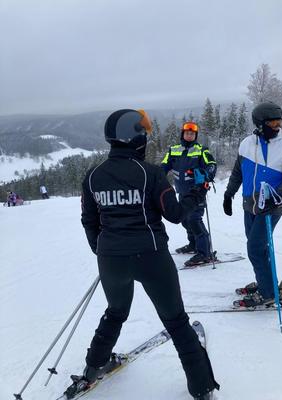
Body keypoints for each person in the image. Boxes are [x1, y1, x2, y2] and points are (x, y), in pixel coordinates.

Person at [79, 109, 219, 399]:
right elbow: (176, 214)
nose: (146, 139)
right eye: (144, 134)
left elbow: (90, 222)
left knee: (115, 312)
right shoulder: (151, 173)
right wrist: (199, 190)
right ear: (135, 137)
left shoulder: (92, 176)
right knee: (176, 321)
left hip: (111, 260)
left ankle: (93, 369)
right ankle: (202, 387)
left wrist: (102, 250)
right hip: (151, 257)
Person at [223, 102, 282, 307]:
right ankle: (268, 283)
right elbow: (238, 172)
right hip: (250, 204)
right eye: (272, 122)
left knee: (255, 248)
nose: (277, 126)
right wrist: (228, 194)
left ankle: (268, 294)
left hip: (272, 206)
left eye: (279, 121)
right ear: (259, 123)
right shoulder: (246, 144)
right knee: (259, 247)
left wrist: (279, 196)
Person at [161, 121, 217, 266]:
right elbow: (164, 166)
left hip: (197, 192)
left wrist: (207, 174)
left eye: (192, 134)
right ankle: (193, 245)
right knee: (185, 220)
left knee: (194, 220)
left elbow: (212, 165)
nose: (189, 135)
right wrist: (156, 177)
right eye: (187, 133)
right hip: (181, 191)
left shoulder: (201, 150)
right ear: (183, 134)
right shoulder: (173, 150)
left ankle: (205, 253)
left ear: (195, 135)